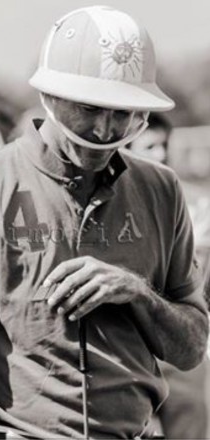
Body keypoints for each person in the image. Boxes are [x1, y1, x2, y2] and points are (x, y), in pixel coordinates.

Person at [0, 6, 208, 439]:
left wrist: (137, 293)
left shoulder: (162, 190)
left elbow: (192, 348)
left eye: (122, 112)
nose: (105, 129)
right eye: (89, 108)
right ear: (49, 95)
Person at [125, 113, 210, 439]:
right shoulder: (112, 204)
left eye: (164, 145)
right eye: (150, 146)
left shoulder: (195, 202)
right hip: (131, 351)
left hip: (182, 345)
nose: (161, 154)